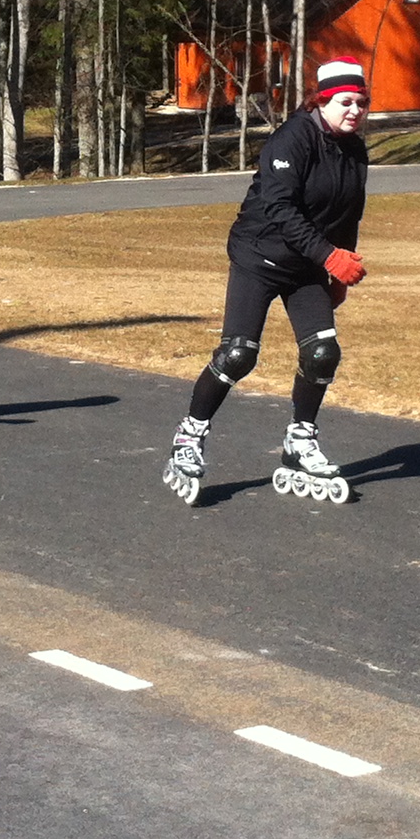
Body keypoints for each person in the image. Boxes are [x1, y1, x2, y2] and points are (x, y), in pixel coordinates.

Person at [163, 59, 372, 505]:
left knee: (322, 352)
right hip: (259, 256)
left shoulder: (355, 151)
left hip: (307, 265)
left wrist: (341, 267)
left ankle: (300, 440)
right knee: (239, 354)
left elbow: (347, 214)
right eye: (345, 102)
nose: (355, 110)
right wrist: (329, 256)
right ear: (322, 102)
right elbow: (280, 209)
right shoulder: (292, 138)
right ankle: (189, 436)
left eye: (362, 102)